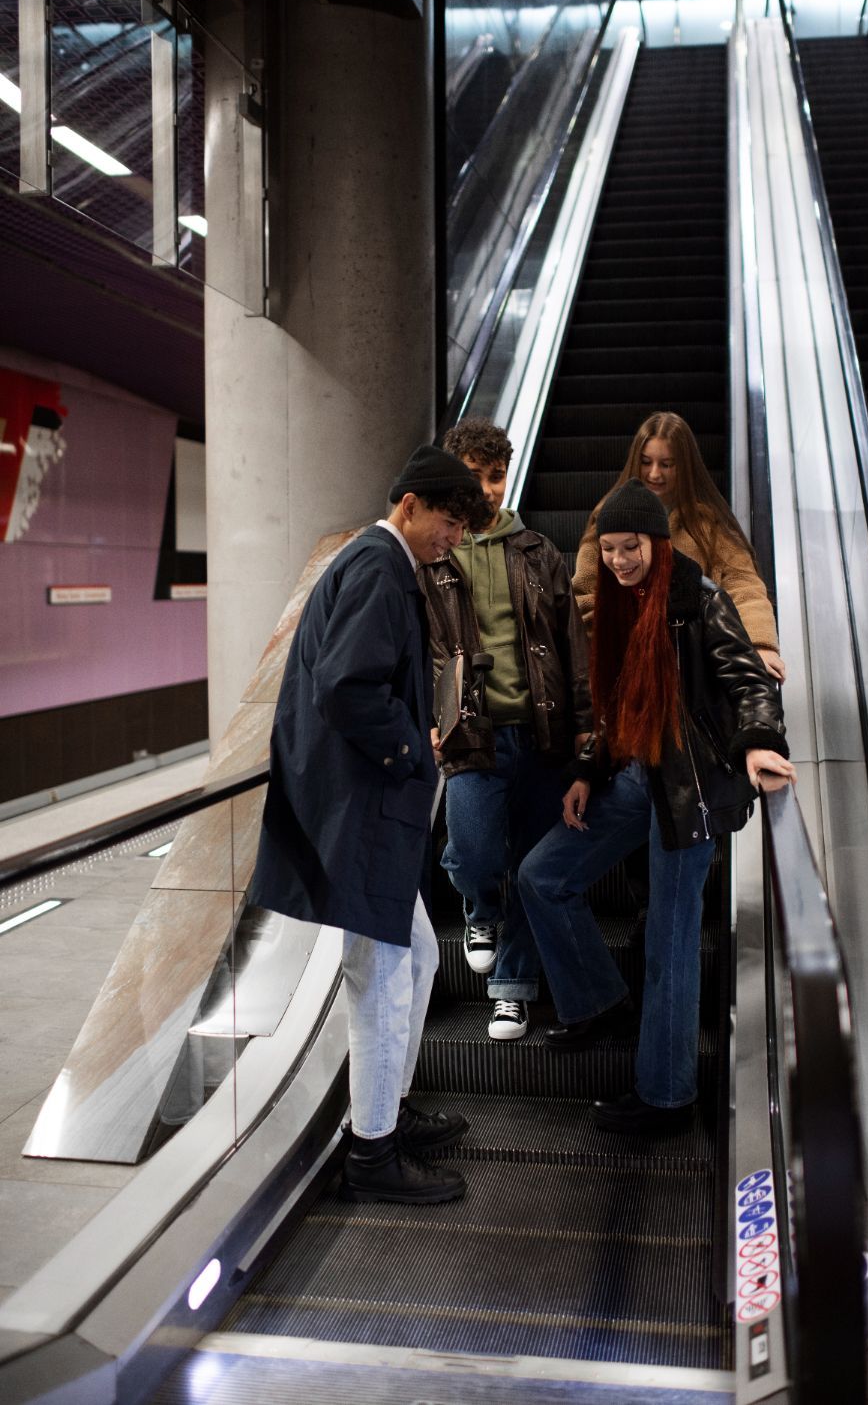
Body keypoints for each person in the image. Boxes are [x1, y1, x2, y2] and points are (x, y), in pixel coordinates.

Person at [250, 445, 492, 1203]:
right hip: (358, 808)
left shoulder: (376, 565)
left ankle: (388, 1109)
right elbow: (346, 687)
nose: (452, 540)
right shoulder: (379, 568)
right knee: (384, 976)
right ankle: (372, 1155)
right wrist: (406, 744)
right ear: (410, 504)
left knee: (417, 957)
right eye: (449, 524)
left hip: (361, 805)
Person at [518, 479, 795, 1135]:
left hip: (690, 789)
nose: (618, 560)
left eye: (630, 546)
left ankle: (666, 1095)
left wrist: (756, 745)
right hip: (639, 777)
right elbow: (619, 709)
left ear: (657, 542)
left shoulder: (698, 601)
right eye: (610, 549)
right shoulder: (620, 609)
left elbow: (748, 682)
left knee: (671, 942)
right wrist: (588, 770)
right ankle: (599, 999)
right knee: (541, 875)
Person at [419, 418, 592, 1041]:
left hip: (541, 735)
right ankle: (477, 905)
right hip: (471, 735)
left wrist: (582, 733)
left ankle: (512, 991)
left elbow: (571, 648)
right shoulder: (434, 552)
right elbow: (417, 651)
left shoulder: (539, 551)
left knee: (529, 864)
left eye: (497, 477)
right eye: (475, 477)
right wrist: (426, 720)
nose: (488, 490)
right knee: (475, 853)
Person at [573, 411, 786, 682]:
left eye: (667, 464)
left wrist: (760, 644)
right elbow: (584, 594)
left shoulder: (706, 524)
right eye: (646, 462)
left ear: (684, 465)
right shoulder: (609, 517)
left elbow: (743, 584)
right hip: (627, 671)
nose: (654, 473)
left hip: (693, 670)